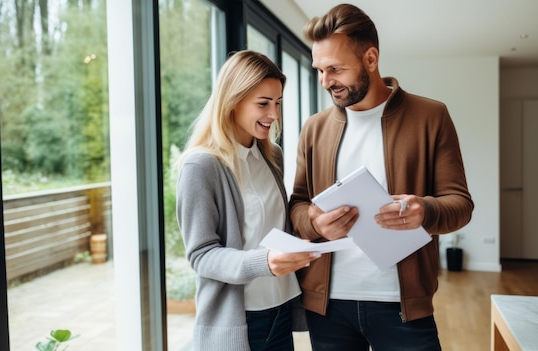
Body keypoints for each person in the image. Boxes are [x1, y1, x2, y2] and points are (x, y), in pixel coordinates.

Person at [289, 4, 474, 350]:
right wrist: (316, 223)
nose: (326, 81)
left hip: (403, 306)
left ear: (371, 59)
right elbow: (297, 206)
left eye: (335, 69)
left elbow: (461, 204)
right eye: (319, 70)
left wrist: (424, 211)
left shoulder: (430, 116)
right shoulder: (314, 128)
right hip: (328, 307)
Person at [176, 50, 319, 351]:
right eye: (263, 104)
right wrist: (263, 262)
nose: (274, 115)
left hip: (282, 311)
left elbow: (276, 226)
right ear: (233, 100)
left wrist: (315, 221)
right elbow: (201, 255)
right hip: (240, 322)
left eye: (277, 103)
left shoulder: (272, 157)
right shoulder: (201, 166)